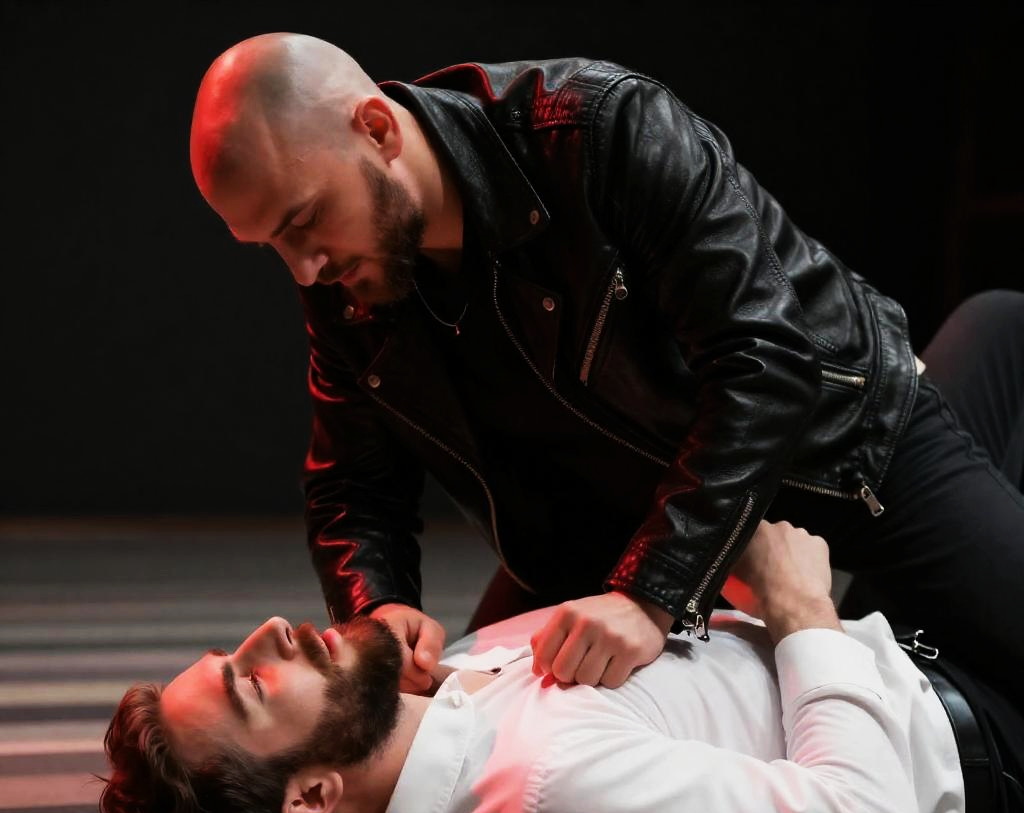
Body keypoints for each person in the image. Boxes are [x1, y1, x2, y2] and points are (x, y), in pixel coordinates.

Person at [187, 31, 1024, 694]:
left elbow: (766, 359)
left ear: (375, 130)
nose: (303, 270)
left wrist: (651, 594)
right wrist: (380, 607)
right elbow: (351, 483)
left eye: (302, 221)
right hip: (612, 533)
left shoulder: (596, 129)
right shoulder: (348, 273)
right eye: (270, 246)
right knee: (478, 741)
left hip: (837, 452)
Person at [99, 518, 1023, 813]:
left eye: (231, 653)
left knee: (984, 335)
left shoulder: (412, 738)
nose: (270, 630)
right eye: (253, 684)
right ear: (310, 795)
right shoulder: (554, 801)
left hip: (886, 644)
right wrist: (799, 604)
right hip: (971, 736)